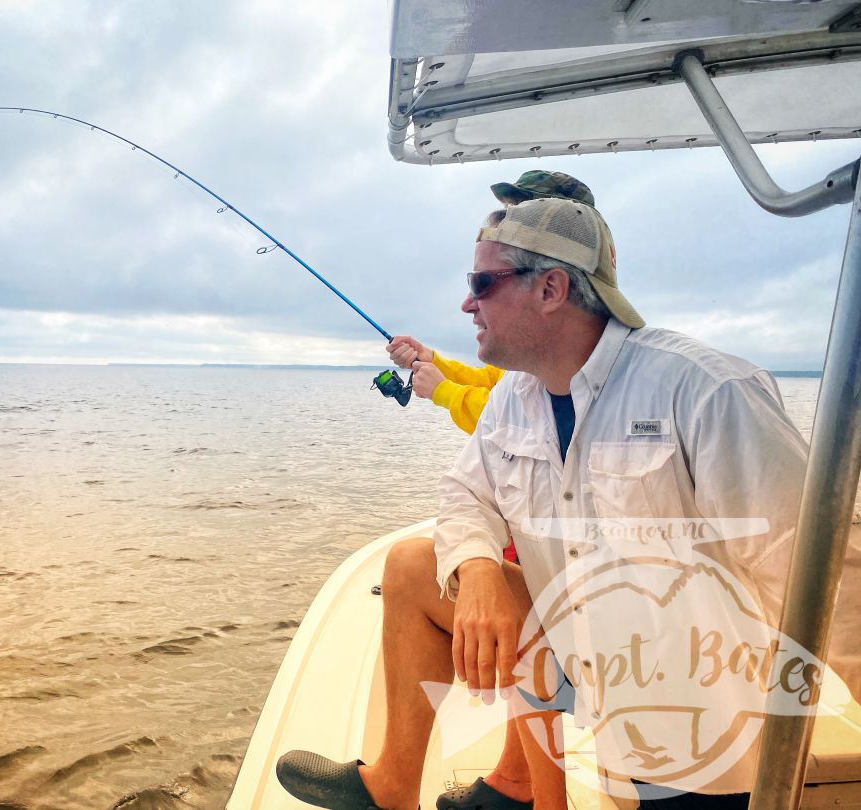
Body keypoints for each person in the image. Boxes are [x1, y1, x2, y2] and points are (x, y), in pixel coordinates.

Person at [276, 196, 861, 809]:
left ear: (551, 288)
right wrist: (476, 569)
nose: (466, 303)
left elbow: (826, 577)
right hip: (584, 667)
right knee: (416, 565)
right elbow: (464, 494)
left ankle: (532, 786)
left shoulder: (707, 392)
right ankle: (406, 787)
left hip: (698, 729)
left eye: (482, 283)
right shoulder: (513, 399)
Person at [386, 170, 599, 435]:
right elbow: (494, 383)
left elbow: (517, 425)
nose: (509, 219)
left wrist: (444, 391)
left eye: (521, 209)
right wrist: (433, 361)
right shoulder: (530, 357)